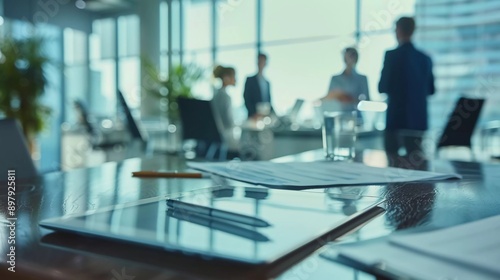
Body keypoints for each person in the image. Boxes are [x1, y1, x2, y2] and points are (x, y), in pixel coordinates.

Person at [378, 17, 435, 157]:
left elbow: (382, 87)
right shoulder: (425, 58)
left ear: (398, 30)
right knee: (417, 166)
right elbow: (431, 90)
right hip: (418, 122)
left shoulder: (391, 56)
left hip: (395, 122)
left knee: (392, 164)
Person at [322, 47, 369, 111]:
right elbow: (329, 98)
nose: (350, 59)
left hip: (356, 114)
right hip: (338, 113)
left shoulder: (362, 79)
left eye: (352, 56)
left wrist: (351, 99)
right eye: (348, 57)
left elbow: (367, 100)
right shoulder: (335, 79)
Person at [211, 65, 238, 148]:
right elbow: (228, 123)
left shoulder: (216, 95)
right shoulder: (225, 97)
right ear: (226, 78)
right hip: (224, 139)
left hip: (215, 137)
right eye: (234, 76)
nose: (236, 79)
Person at [243, 53, 273, 119]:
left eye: (263, 61)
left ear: (266, 63)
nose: (261, 63)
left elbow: (269, 101)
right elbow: (246, 98)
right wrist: (253, 113)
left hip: (266, 116)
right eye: (260, 61)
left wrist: (273, 114)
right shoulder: (250, 80)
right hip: (254, 117)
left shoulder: (267, 83)